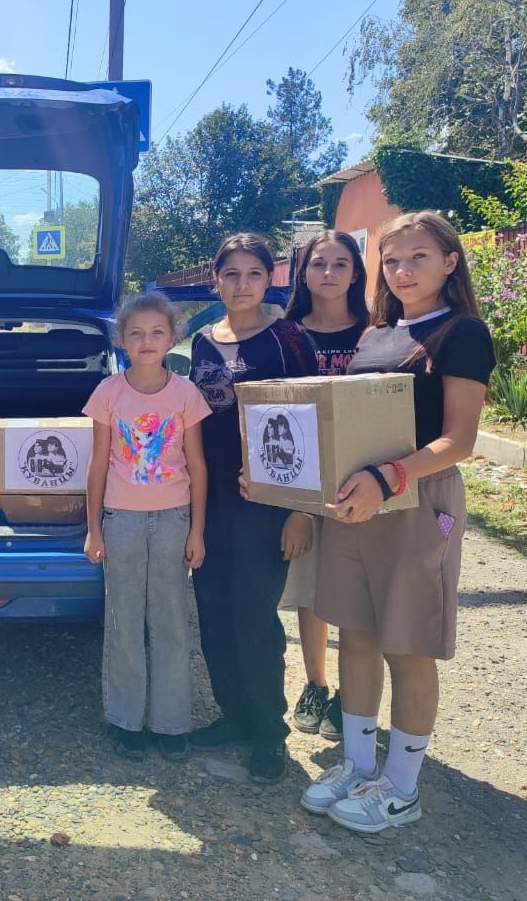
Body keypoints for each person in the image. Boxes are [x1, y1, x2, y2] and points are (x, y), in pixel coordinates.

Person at [301, 211, 493, 833]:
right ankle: (358, 766)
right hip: (358, 501)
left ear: (449, 262)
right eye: (391, 261)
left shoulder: (463, 333)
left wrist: (390, 478)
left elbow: (459, 440)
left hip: (415, 499)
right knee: (356, 635)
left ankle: (402, 787)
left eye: (418, 258)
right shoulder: (377, 334)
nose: (403, 271)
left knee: (406, 645)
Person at [187, 233, 319, 783]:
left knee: (254, 615)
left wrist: (302, 510)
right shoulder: (200, 341)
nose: (242, 285)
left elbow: (314, 422)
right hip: (208, 496)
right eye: (231, 274)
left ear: (270, 279)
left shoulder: (288, 338)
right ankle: (234, 717)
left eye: (254, 274)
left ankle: (269, 733)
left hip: (268, 500)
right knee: (213, 609)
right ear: (215, 280)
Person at [83, 291, 211, 761]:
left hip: (174, 519)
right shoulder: (108, 393)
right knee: (124, 620)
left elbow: (197, 465)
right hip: (122, 521)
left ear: (172, 337)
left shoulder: (186, 394)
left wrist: (197, 530)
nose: (147, 341)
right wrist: (94, 528)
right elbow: (98, 465)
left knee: (171, 619)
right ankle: (126, 719)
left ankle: (171, 722)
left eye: (157, 332)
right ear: (121, 339)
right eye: (136, 333)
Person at [280, 230, 368, 742]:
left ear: (356, 273)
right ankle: (316, 684)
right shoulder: (287, 334)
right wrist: (295, 505)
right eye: (318, 264)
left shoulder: (378, 332)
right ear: (304, 273)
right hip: (304, 477)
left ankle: (353, 698)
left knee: (356, 589)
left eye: (340, 264)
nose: (329, 273)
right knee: (311, 588)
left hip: (363, 476)